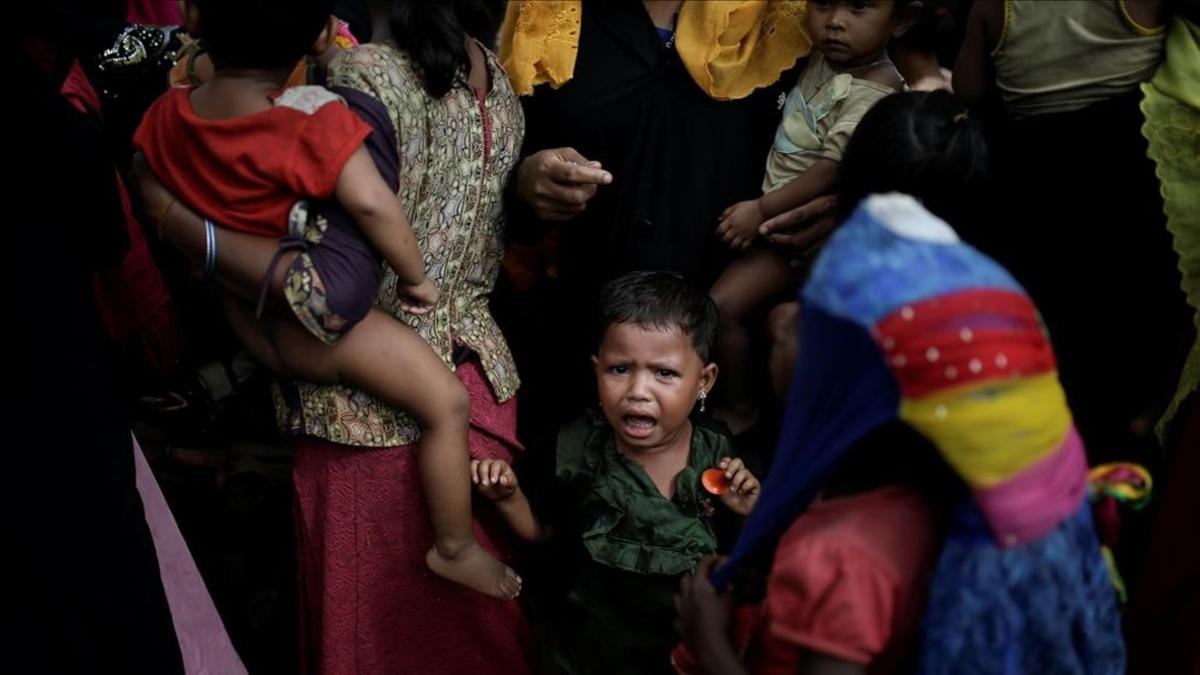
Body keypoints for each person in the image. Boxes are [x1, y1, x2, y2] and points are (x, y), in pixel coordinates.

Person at [135, 0, 535, 671]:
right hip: (470, 386)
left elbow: (323, 288)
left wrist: (184, 227)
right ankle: (456, 546)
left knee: (372, 643)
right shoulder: (491, 75)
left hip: (357, 420)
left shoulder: (343, 83)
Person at [714, 194, 1125, 673]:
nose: (782, 327)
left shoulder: (839, 557)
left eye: (808, 320)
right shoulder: (915, 501)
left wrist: (710, 644)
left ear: (860, 389)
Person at [499, 0, 812, 430]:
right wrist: (526, 181)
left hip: (731, 364)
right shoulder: (549, 17)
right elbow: (487, 173)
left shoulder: (789, 23)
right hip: (576, 349)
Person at [473, 271, 761, 675]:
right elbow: (542, 535)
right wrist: (508, 498)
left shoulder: (721, 457)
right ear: (596, 370)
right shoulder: (575, 451)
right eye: (620, 369)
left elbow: (745, 569)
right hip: (587, 652)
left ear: (704, 381)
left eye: (665, 373)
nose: (638, 390)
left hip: (679, 658)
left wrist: (749, 510)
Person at [709, 0, 915, 434]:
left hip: (803, 235)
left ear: (900, 21)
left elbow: (832, 168)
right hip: (780, 224)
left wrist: (762, 209)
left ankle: (741, 408)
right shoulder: (825, 58)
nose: (835, 21)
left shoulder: (874, 91)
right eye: (822, 4)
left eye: (859, 9)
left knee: (724, 306)